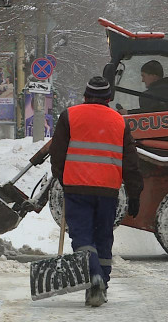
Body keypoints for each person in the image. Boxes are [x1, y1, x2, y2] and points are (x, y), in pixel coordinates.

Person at [50, 76, 144, 307]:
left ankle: (93, 277)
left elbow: (57, 154)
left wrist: (65, 180)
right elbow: (131, 163)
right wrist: (134, 194)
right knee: (103, 237)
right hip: (108, 191)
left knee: (82, 236)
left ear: (85, 96)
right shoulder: (119, 121)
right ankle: (101, 282)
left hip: (77, 189)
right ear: (109, 99)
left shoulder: (70, 116)